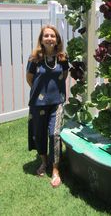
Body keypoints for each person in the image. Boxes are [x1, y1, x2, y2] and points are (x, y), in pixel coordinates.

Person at [26, 24, 69, 188]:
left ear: (57, 39)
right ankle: (44, 161)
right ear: (41, 39)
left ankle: (55, 169)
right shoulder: (34, 58)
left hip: (57, 101)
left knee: (55, 134)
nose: (50, 38)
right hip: (38, 103)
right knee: (39, 133)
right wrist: (40, 93)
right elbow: (29, 78)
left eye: (53, 36)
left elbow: (63, 76)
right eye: (46, 36)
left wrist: (53, 92)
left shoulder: (63, 58)